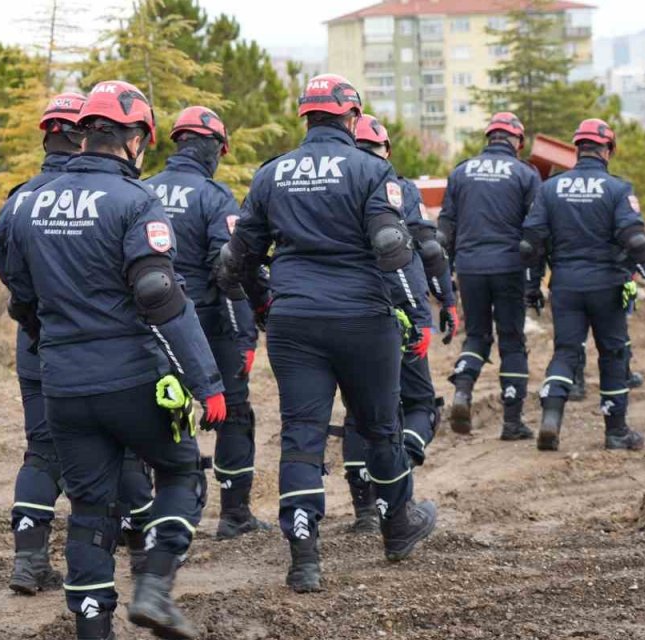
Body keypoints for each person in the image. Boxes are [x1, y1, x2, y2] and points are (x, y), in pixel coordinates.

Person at [1, 80, 226, 640]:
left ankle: (92, 631)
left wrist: (58, 338)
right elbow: (160, 296)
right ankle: (154, 585)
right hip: (130, 377)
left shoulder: (24, 201)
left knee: (89, 509)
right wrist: (207, 382)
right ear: (136, 139)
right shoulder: (136, 201)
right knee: (180, 474)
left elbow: (20, 297)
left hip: (62, 386)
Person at [220, 74, 437, 593]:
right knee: (381, 426)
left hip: (295, 321)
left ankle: (303, 555)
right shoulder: (371, 168)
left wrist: (264, 303)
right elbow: (391, 244)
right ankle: (396, 528)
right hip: (364, 317)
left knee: (301, 433)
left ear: (307, 117)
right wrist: (413, 309)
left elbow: (235, 261)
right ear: (352, 117)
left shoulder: (272, 174)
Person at [145, 105, 269, 539]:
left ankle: (146, 513)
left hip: (150, 328)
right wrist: (248, 329)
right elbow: (229, 269)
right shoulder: (214, 197)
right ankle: (234, 514)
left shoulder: (142, 190)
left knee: (156, 415)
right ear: (215, 149)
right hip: (207, 326)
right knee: (234, 413)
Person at [522, 118, 645, 452]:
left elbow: (531, 243)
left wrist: (532, 286)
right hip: (607, 286)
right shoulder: (617, 189)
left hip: (565, 286)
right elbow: (635, 239)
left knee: (566, 352)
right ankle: (616, 432)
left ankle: (551, 417)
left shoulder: (551, 188)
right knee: (613, 354)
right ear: (607, 150)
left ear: (577, 149)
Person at [0, 91, 86, 595]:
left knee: (41, 450)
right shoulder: (99, 195)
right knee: (109, 451)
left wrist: (34, 322)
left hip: (33, 344)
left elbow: (9, 276)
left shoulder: (19, 199)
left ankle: (28, 561)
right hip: (94, 349)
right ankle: (117, 561)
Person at [341, 114, 445, 533]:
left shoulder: (333, 184)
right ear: (385, 150)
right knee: (418, 406)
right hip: (393, 310)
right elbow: (427, 245)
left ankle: (364, 509)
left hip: (342, 313)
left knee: (356, 412)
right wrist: (441, 303)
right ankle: (399, 484)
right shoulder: (396, 187)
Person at [439, 112, 540, 440]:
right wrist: (534, 280)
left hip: (470, 267)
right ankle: (512, 422)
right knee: (511, 340)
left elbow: (445, 230)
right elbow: (535, 231)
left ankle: (463, 392)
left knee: (477, 337)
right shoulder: (525, 174)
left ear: (489, 138)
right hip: (509, 267)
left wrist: (447, 274)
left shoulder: (461, 171)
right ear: (517, 142)